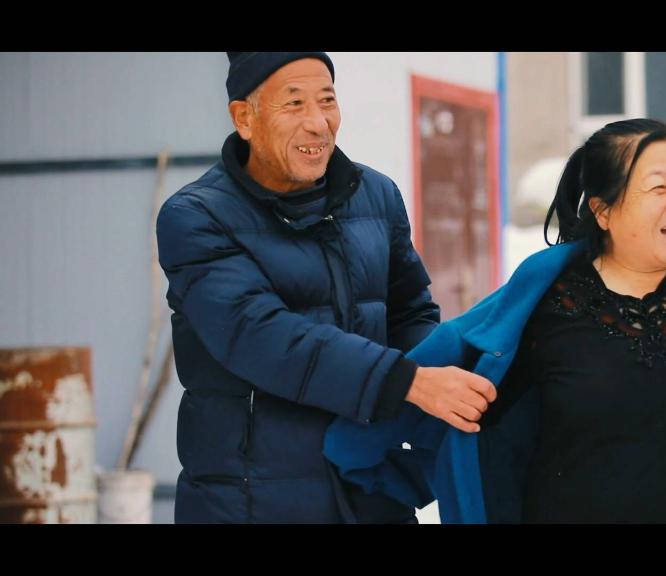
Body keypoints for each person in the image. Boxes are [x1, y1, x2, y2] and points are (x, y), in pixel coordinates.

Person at [324, 118, 666, 523]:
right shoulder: (544, 299)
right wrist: (384, 467)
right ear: (603, 210)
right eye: (658, 188)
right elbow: (434, 378)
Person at [156, 52, 495, 523]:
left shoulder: (376, 196)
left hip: (370, 491)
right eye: (294, 104)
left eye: (327, 100)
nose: (318, 124)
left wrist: (457, 380)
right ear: (244, 118)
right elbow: (261, 336)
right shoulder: (196, 217)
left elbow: (409, 314)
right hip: (253, 504)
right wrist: (407, 382)